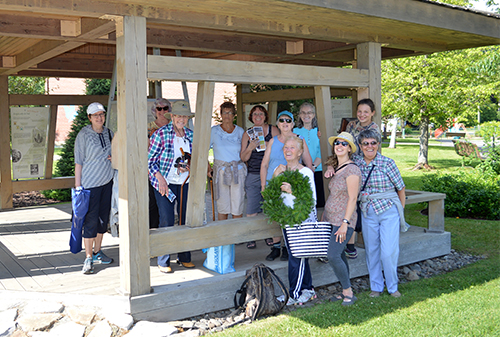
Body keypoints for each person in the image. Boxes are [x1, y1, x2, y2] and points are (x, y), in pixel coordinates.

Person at [355, 129, 406, 298]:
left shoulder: (387, 163)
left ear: (378, 144)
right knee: (372, 250)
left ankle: (392, 286)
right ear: (360, 146)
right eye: (365, 143)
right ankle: (376, 286)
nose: (370, 146)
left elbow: (401, 188)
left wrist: (400, 211)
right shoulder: (356, 164)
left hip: (388, 210)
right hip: (368, 211)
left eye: (373, 143)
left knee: (389, 251)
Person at [148, 100, 195, 274]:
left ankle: (184, 257)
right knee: (166, 220)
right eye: (178, 116)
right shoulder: (160, 134)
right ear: (172, 116)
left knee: (185, 220)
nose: (181, 119)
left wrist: (190, 166)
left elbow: (194, 158)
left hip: (185, 182)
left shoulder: (190, 135)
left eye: (184, 116)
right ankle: (163, 259)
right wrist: (159, 177)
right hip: (165, 183)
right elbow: (150, 161)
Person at [260, 110, 313, 261]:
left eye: (288, 120)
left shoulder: (300, 140)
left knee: (291, 214)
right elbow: (264, 165)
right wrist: (264, 186)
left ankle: (290, 247)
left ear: (293, 124)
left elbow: (308, 162)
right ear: (277, 123)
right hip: (274, 183)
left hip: (292, 185)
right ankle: (276, 247)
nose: (285, 123)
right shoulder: (272, 141)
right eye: (282, 120)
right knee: (276, 215)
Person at [273, 136, 317, 305]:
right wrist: (275, 177)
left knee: (296, 258)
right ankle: (308, 289)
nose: (288, 150)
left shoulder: (305, 172)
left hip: (301, 221)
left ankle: (294, 293)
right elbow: (272, 196)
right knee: (298, 257)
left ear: (300, 152)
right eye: (286, 147)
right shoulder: (281, 171)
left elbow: (311, 199)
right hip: (286, 220)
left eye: (292, 148)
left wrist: (293, 191)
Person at [74, 102, 115, 274]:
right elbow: (78, 162)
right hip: (90, 185)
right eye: (95, 115)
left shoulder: (109, 133)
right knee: (90, 221)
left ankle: (98, 251)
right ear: (89, 117)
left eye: (102, 114)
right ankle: (88, 257)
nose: (99, 117)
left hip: (107, 182)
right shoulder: (83, 135)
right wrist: (78, 187)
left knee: (102, 220)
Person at [322, 132, 361, 306]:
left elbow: (353, 198)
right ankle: (346, 288)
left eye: (344, 144)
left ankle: (348, 292)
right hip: (331, 219)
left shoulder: (352, 169)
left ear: (350, 149)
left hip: (343, 222)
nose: (339, 145)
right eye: (337, 142)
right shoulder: (337, 167)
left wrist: (345, 223)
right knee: (339, 255)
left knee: (333, 255)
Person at [343, 98, 380, 259]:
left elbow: (371, 150)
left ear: (372, 113)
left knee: (361, 204)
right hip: (351, 166)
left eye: (366, 111)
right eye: (359, 111)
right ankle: (349, 242)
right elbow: (345, 141)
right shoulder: (352, 125)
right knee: (349, 202)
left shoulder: (374, 129)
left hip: (366, 170)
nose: (362, 114)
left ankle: (368, 240)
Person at [240, 105, 279, 249]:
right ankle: (252, 235)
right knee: (252, 207)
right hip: (254, 173)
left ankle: (268, 234)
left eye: (261, 114)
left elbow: (282, 147)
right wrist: (250, 147)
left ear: (265, 116)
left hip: (271, 173)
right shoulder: (247, 134)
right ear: (251, 116)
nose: (258, 116)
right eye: (255, 114)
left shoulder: (273, 130)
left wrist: (269, 144)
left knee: (268, 207)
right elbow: (243, 157)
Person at [208, 102, 246, 221]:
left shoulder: (240, 131)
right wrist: (209, 168)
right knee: (222, 206)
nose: (227, 115)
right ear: (221, 114)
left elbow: (244, 152)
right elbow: (203, 151)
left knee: (237, 205)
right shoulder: (213, 131)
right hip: (221, 171)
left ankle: (236, 236)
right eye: (225, 112)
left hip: (237, 171)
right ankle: (223, 236)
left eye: (230, 112)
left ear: (234, 115)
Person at [293, 102, 325, 208]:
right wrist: (306, 167)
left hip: (319, 170)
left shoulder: (320, 131)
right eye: (303, 112)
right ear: (299, 115)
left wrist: (313, 166)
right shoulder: (294, 131)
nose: (306, 115)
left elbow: (322, 151)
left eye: (309, 112)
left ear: (314, 115)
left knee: (320, 202)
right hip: (301, 170)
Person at [147, 98, 172, 229]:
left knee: (168, 207)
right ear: (155, 111)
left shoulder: (176, 126)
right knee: (153, 205)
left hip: (172, 172)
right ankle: (153, 232)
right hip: (153, 172)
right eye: (159, 108)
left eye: (165, 108)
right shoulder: (148, 128)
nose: (162, 111)